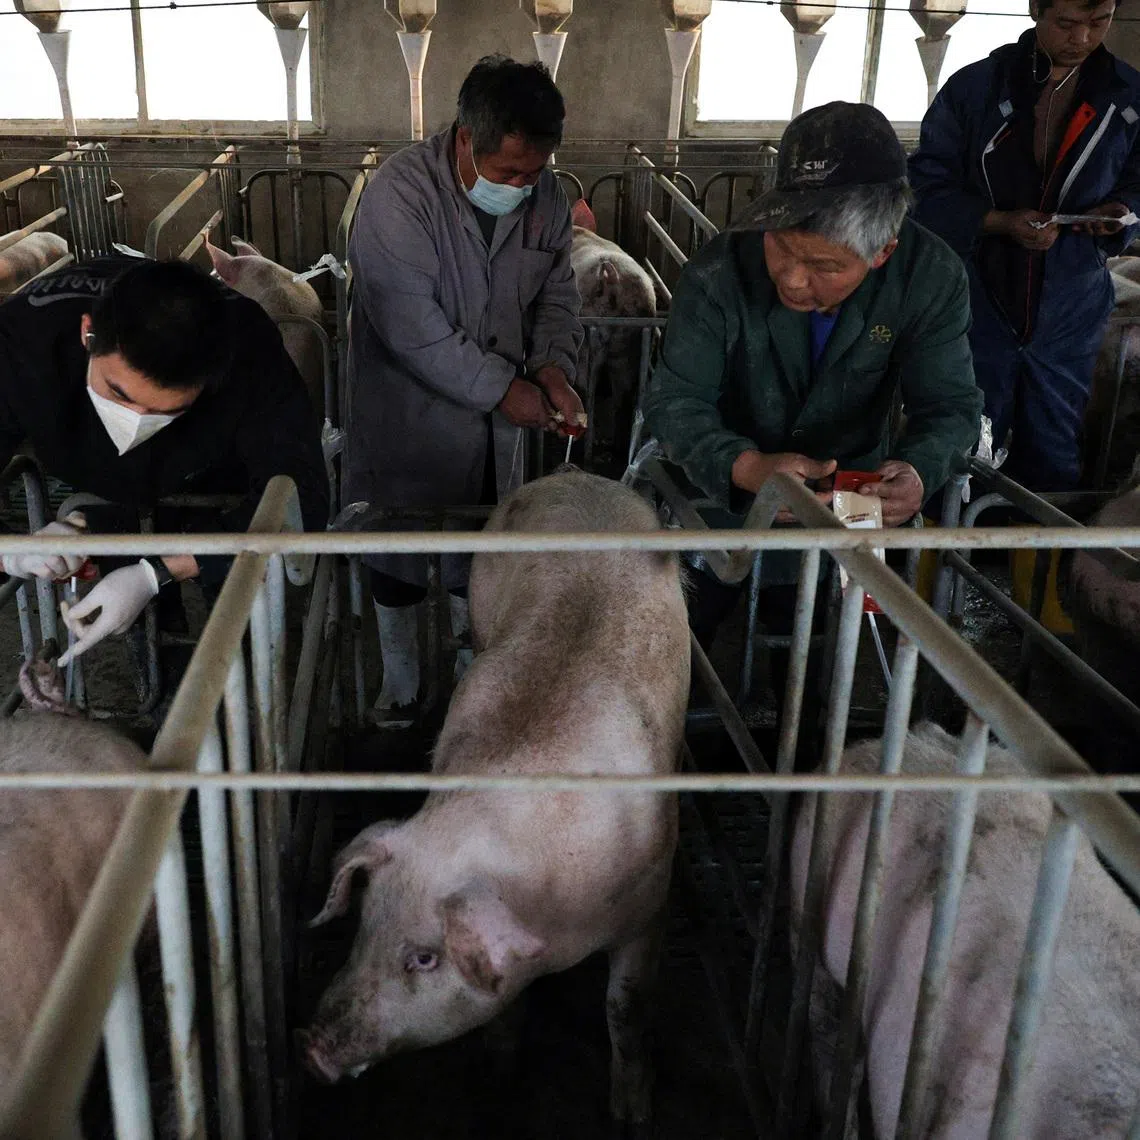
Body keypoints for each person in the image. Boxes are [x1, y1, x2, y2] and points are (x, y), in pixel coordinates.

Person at [644, 101, 981, 666]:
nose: (795, 280)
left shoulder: (930, 277)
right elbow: (675, 400)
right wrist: (746, 467)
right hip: (717, 491)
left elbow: (950, 404)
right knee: (680, 640)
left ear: (883, 251)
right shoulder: (719, 272)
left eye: (825, 267)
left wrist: (918, 470)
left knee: (813, 655)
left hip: (846, 499)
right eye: (781, 247)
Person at [343, 54, 584, 722]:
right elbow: (411, 328)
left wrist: (555, 368)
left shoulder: (547, 198)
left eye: (535, 172)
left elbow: (557, 296)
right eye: (508, 172)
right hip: (407, 411)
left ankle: (468, 687)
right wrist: (505, 389)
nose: (523, 185)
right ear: (465, 140)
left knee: (478, 549)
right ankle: (399, 684)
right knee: (397, 545)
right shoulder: (399, 195)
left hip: (498, 421)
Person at [0, 254, 328, 664]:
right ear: (88, 334)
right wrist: (11, 550)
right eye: (118, 393)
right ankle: (161, 671)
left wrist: (158, 571)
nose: (135, 421)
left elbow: (301, 496)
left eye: (164, 411)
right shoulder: (18, 344)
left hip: (209, 472)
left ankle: (240, 663)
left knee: (237, 608)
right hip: (90, 465)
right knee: (149, 632)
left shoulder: (249, 351)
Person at [909, 0, 1140, 490]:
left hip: (1071, 295)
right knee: (962, 434)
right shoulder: (976, 89)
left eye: (1098, 23)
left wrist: (1120, 212)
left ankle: (1035, 537)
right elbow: (925, 186)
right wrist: (996, 221)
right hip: (977, 288)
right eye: (1066, 23)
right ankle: (948, 535)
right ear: (1036, 9)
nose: (1082, 39)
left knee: (1054, 438)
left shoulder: (1128, 95)